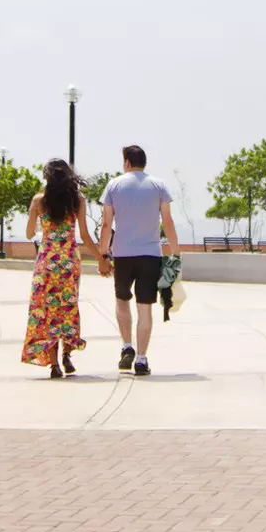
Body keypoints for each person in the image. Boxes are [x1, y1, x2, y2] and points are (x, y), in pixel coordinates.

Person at [96, 144, 180, 377]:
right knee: (145, 308)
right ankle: (141, 359)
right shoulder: (159, 185)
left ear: (127, 163)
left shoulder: (114, 185)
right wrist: (175, 252)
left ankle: (126, 346)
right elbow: (168, 221)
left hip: (123, 254)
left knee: (122, 300)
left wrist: (104, 253)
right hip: (151, 255)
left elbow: (106, 223)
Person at [21, 159, 89, 379]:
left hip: (47, 262)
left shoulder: (39, 201)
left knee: (47, 310)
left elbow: (29, 234)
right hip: (69, 260)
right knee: (68, 306)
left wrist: (40, 221)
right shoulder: (77, 200)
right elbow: (85, 236)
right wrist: (102, 258)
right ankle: (68, 354)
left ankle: (54, 365)